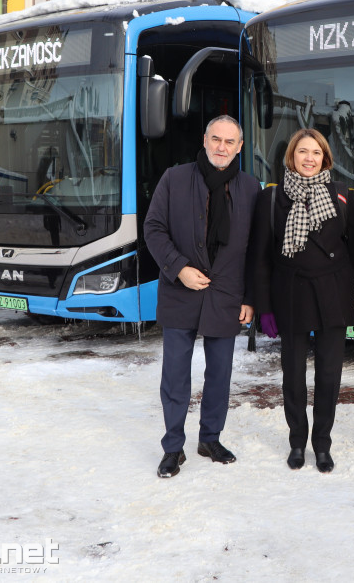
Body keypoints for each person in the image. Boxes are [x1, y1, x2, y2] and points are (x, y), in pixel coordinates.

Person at [144, 115, 258, 479]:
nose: (221, 147)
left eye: (229, 142)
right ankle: (173, 448)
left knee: (220, 374)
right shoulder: (174, 178)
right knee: (176, 376)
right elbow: (153, 228)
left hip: (227, 296)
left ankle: (210, 438)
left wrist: (250, 297)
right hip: (181, 292)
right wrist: (178, 268)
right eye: (216, 139)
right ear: (204, 139)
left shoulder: (250, 188)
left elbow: (256, 250)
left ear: (240, 146)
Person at [248, 129, 354, 473]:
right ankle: (297, 441)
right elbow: (260, 258)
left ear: (325, 157)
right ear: (292, 157)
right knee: (293, 375)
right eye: (302, 152)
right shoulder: (271, 199)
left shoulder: (341, 195)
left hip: (331, 296)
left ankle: (322, 445)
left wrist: (339, 283)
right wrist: (264, 307)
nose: (309, 158)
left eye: (315, 152)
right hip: (291, 295)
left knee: (329, 375)